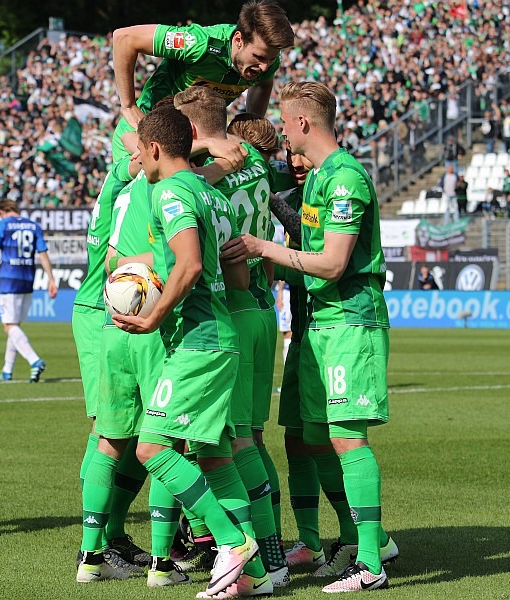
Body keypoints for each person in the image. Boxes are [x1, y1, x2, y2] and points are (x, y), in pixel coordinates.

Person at [222, 82, 394, 592]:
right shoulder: (318, 181)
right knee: (314, 437)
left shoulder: (345, 180)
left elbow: (334, 264)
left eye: (285, 121)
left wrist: (264, 249)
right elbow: (312, 266)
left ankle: (371, 561)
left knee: (345, 437)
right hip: (318, 323)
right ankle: (355, 542)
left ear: (302, 124)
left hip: (350, 321)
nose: (283, 135)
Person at [110, 105, 261, 598]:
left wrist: (152, 314)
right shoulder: (207, 191)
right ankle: (253, 576)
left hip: (198, 341)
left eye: (138, 150)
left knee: (152, 446)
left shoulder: (171, 190)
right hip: (220, 336)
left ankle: (231, 541)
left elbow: (190, 264)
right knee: (215, 456)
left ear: (153, 148)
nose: (136, 158)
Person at [176, 89, 289, 590]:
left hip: (232, 311)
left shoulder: (198, 182)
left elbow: (182, 182)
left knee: (229, 441)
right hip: (264, 310)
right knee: (251, 439)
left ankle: (259, 557)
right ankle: (271, 546)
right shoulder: (261, 169)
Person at [73, 155, 154, 580]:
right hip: (102, 308)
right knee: (108, 430)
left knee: (142, 429)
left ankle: (114, 535)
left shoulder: (127, 181)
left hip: (116, 304)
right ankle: (96, 544)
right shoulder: (133, 180)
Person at [111, 0, 294, 162]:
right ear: (238, 39)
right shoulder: (199, 43)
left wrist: (252, 124)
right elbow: (124, 38)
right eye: (259, 57)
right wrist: (128, 105)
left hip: (191, 140)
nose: (264, 67)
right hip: (143, 130)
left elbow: (264, 83)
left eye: (271, 59)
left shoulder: (268, 61)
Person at [0, 200, 57, 382]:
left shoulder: (1, 225)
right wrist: (51, 279)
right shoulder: (33, 226)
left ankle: (34, 360)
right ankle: (7, 371)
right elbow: (43, 254)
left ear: (1, 211)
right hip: (28, 279)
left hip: (9, 280)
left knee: (9, 326)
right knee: (14, 325)